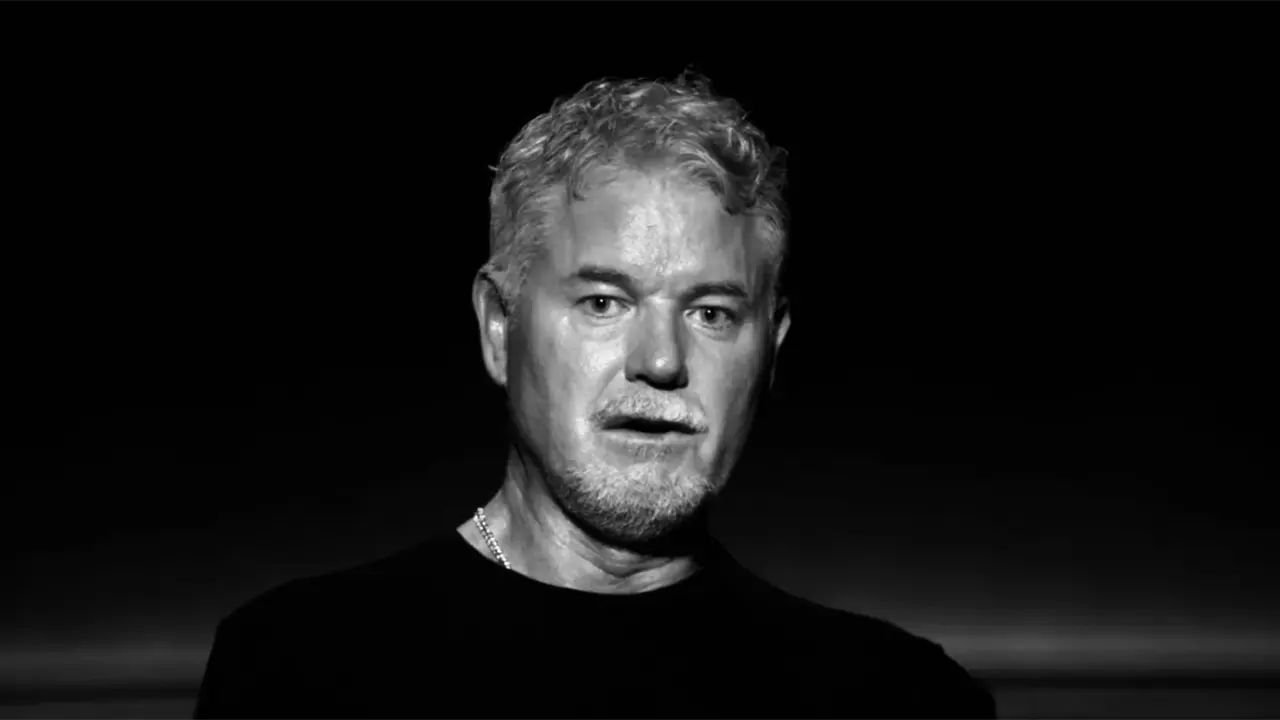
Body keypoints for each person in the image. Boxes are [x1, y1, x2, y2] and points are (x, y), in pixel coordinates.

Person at [193, 72, 997, 718]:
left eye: (712, 313)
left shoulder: (899, 702)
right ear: (500, 327)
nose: (661, 362)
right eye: (604, 302)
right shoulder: (299, 670)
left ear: (771, 350)